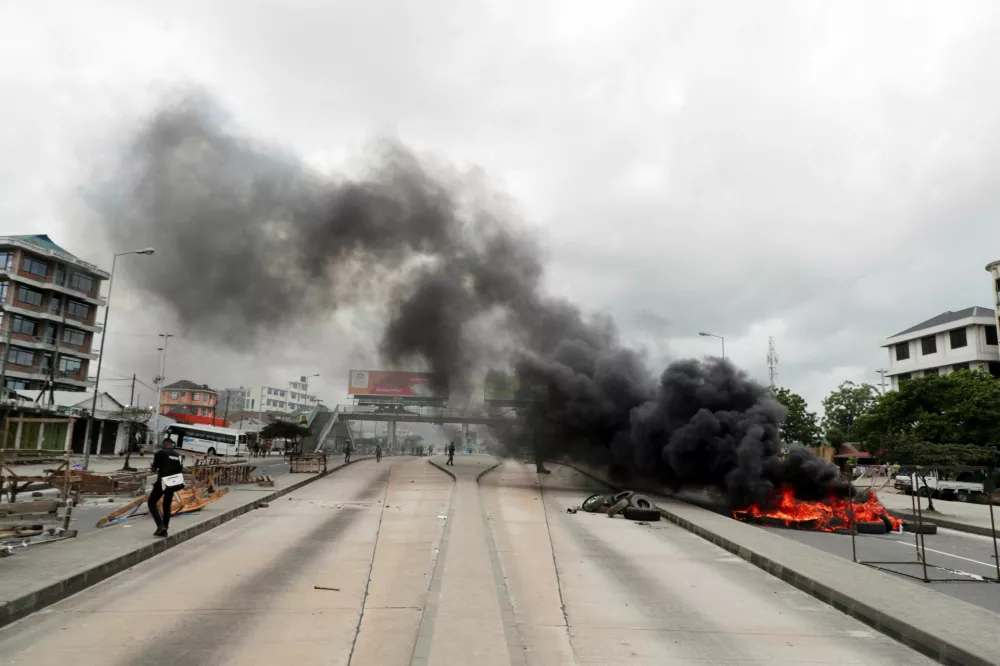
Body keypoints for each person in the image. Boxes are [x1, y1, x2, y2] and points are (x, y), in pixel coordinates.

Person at [149, 436, 184, 538]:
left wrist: (152, 466)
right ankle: (165, 529)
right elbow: (180, 470)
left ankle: (160, 526)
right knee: (166, 505)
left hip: (163, 481)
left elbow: (154, 470)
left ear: (164, 445)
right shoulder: (179, 456)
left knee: (151, 502)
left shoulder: (161, 453)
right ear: (172, 445)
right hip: (173, 482)